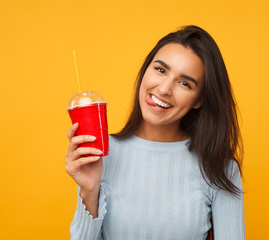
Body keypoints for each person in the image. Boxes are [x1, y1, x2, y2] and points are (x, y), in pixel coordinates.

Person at [65, 25, 245, 240]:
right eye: (160, 70)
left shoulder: (220, 168)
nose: (164, 89)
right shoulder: (99, 155)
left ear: (199, 99)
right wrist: (89, 190)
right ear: (145, 71)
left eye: (184, 83)